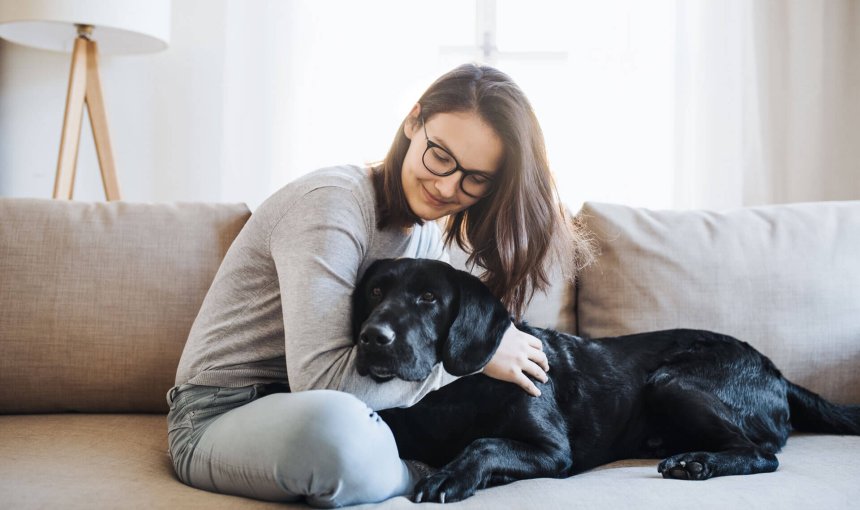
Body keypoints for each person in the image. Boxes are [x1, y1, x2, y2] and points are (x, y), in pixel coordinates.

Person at [166, 63, 593, 507]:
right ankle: (411, 476)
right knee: (337, 432)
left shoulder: (425, 236)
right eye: (440, 156)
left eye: (475, 178)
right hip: (220, 413)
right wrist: (477, 361)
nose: (447, 186)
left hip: (325, 409)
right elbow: (321, 383)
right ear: (413, 121)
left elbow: (410, 367)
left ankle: (398, 468)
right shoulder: (332, 205)